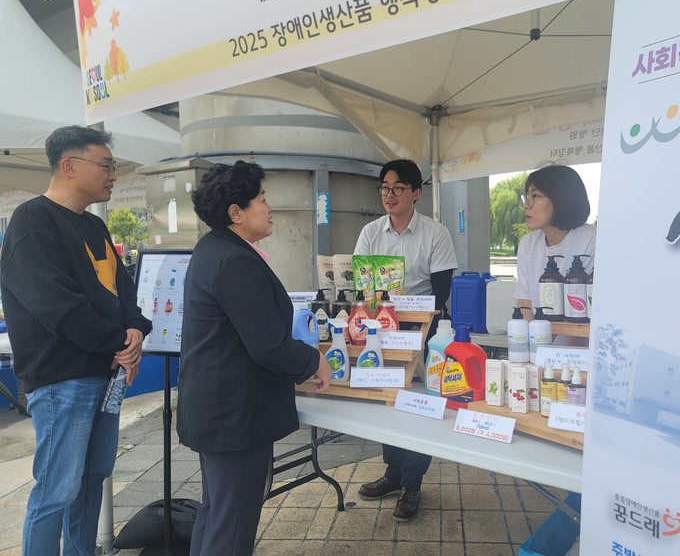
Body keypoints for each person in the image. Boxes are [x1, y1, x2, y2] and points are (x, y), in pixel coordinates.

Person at [0, 125, 152, 555]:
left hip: (105, 376)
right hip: (62, 380)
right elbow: (58, 307)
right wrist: (119, 340)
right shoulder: (32, 221)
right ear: (69, 166)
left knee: (91, 480)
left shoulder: (95, 226)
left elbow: (123, 291)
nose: (113, 175)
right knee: (56, 490)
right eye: (106, 166)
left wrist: (135, 329)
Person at [176, 160, 331, 555]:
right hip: (234, 416)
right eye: (262, 199)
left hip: (218, 408)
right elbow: (267, 344)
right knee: (231, 525)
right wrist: (314, 361)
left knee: (216, 513)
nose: (269, 207)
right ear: (236, 212)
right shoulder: (235, 261)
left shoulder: (214, 249)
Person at [354, 159, 457, 522]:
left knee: (418, 404)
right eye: (385, 187)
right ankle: (393, 473)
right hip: (382, 327)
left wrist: (416, 323)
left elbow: (441, 291)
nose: (389, 194)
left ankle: (412, 483)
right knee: (389, 398)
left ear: (416, 193)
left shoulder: (435, 233)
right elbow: (363, 287)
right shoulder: (371, 232)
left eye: (398, 188)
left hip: (423, 329)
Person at [514, 164, 595, 319]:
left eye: (535, 196)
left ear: (561, 198)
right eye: (527, 196)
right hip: (539, 333)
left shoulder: (592, 241)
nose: (526, 204)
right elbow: (525, 305)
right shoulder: (528, 244)